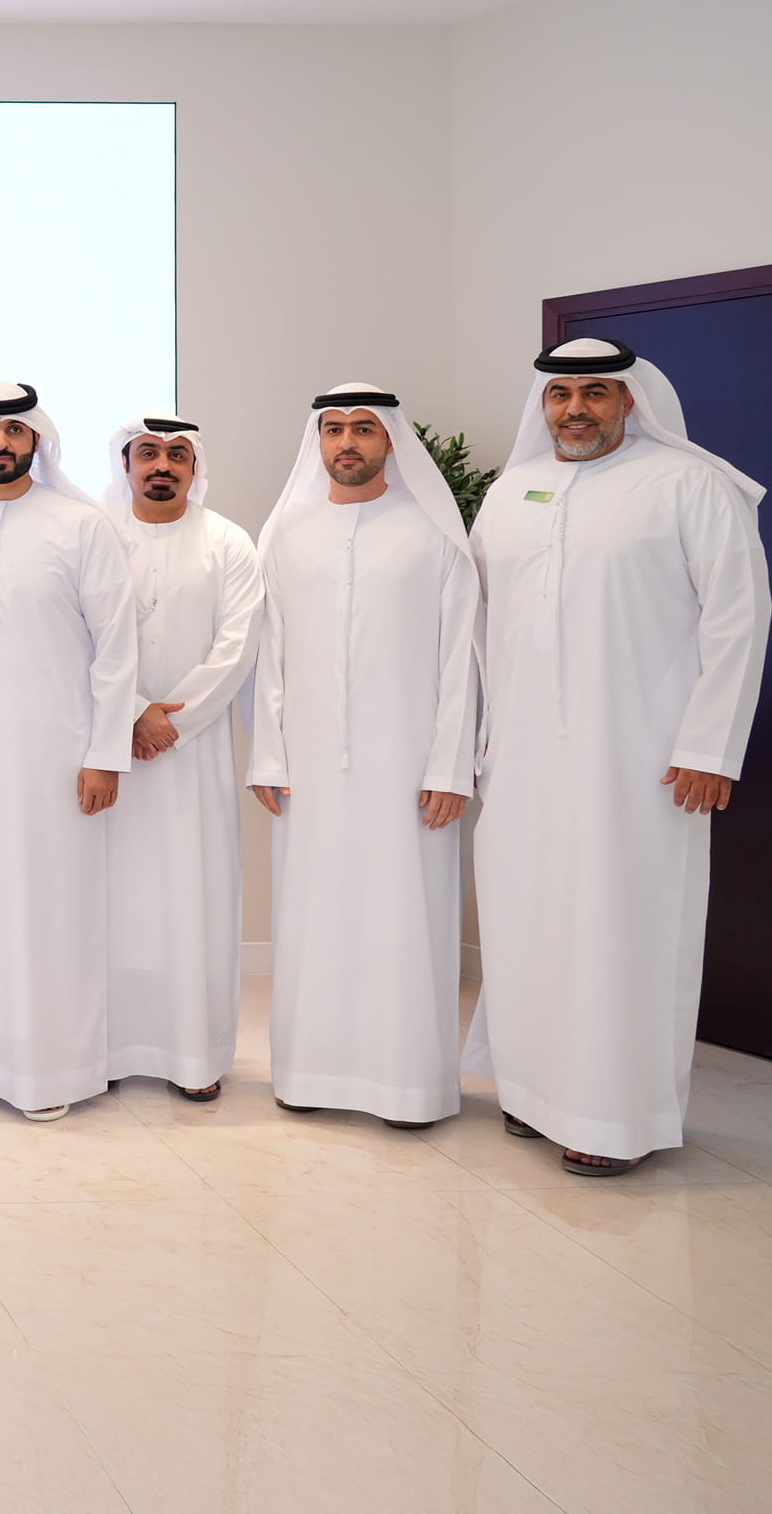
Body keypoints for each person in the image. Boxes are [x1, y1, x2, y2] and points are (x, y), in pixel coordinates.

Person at [466, 338, 769, 1175]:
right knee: (527, 917)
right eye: (561, 394)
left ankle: (612, 1117)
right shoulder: (511, 492)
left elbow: (739, 619)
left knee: (622, 925)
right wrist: (482, 736)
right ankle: (532, 1090)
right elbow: (480, 626)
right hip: (521, 756)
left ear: (630, 400)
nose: (576, 409)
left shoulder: (690, 485)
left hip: (643, 758)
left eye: (595, 392)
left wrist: (710, 746)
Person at [250, 385, 479, 1128]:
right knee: (313, 914)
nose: (346, 442)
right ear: (318, 441)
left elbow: (461, 659)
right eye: (333, 429)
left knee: (403, 915)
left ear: (391, 441)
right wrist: (269, 756)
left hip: (409, 765)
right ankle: (309, 1075)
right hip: (310, 767)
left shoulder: (433, 535)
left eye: (363, 429)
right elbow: (271, 654)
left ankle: (407, 1087)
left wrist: (450, 766)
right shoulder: (288, 534)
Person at [0, 385, 136, 1122]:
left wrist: (105, 753)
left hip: (58, 757)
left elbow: (116, 648)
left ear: (37, 439)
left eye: (15, 430)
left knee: (51, 910)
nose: (1, 443)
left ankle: (52, 1073)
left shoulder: (82, 525)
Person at [101, 417, 262, 1101]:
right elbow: (80, 637)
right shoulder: (98, 537)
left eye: (176, 455)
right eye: (148, 453)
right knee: (112, 900)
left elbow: (239, 644)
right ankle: (107, 1049)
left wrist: (172, 721)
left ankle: (194, 1057)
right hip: (111, 748)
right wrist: (133, 711)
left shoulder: (229, 541)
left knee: (195, 896)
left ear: (195, 468)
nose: (161, 465)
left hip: (194, 757)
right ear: (126, 465)